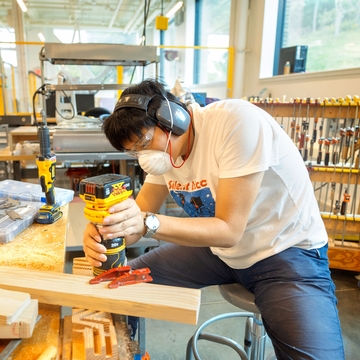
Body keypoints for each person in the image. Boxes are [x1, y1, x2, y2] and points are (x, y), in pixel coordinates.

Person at [83, 79, 345, 359]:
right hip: (220, 253)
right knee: (120, 285)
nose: (144, 156)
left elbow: (229, 230)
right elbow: (136, 220)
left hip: (285, 253)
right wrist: (108, 231)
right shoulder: (164, 152)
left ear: (172, 117)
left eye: (145, 142)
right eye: (135, 151)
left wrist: (147, 222)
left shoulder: (236, 123)